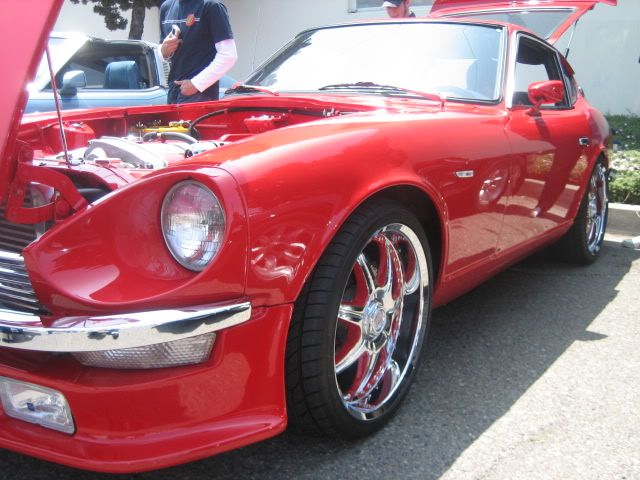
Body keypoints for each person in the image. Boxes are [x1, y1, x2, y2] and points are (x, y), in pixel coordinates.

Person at [160, 0, 238, 104]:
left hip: (200, 96)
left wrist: (196, 84)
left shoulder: (212, 6)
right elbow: (162, 50)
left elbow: (228, 55)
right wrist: (163, 51)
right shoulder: (166, 7)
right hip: (173, 92)